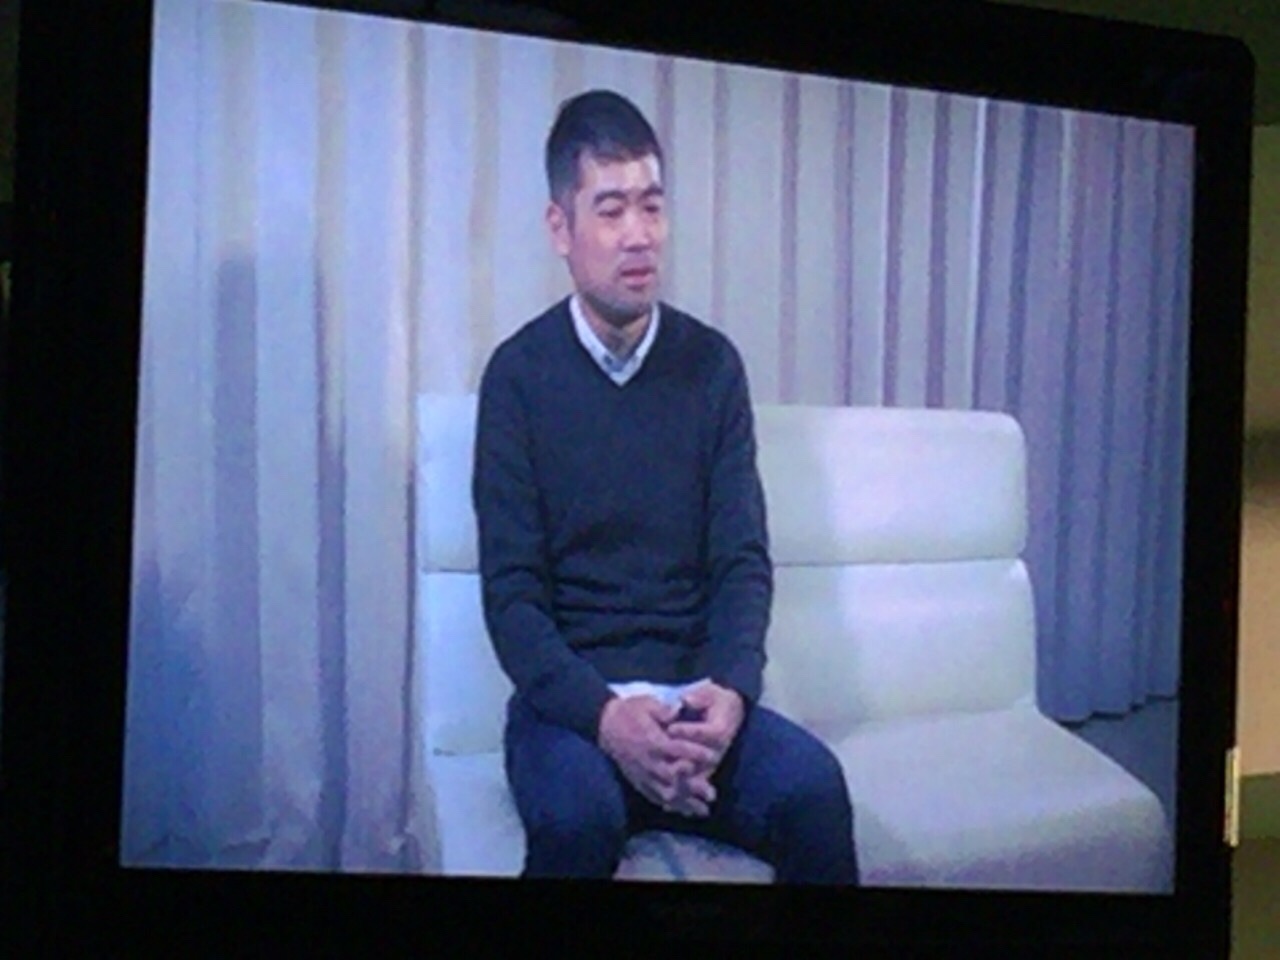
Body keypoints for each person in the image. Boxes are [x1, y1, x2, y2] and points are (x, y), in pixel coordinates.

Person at [471, 89, 859, 884]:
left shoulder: (713, 367)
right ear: (560, 228)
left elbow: (742, 561)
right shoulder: (517, 378)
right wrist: (606, 717)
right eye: (611, 209)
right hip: (573, 715)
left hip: (694, 703)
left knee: (816, 792)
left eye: (652, 205)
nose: (639, 234)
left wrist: (732, 692)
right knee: (576, 823)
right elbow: (512, 600)